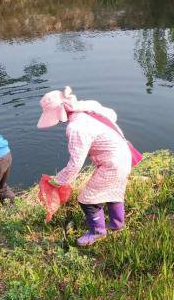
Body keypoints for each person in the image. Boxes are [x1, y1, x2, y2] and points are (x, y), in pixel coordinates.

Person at [37, 86, 132, 247]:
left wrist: (58, 181)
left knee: (87, 200)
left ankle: (97, 232)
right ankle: (117, 223)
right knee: (113, 191)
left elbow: (75, 164)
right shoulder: (86, 109)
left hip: (112, 164)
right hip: (124, 154)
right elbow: (112, 116)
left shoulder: (76, 128)